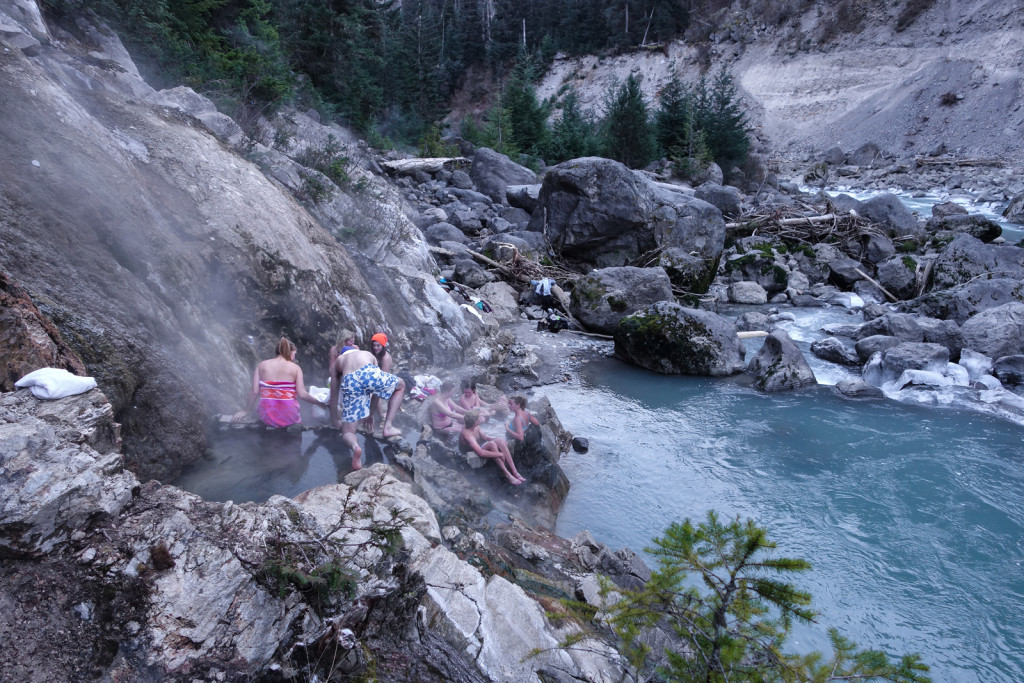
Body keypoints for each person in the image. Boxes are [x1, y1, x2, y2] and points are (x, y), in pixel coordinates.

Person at [329, 348, 405, 470]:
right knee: (401, 385)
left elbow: (333, 396)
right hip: (367, 372)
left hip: (350, 380)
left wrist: (334, 420)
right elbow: (376, 393)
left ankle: (355, 447)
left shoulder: (339, 361)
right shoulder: (367, 354)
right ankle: (388, 427)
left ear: (342, 354)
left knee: (348, 432)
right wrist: (370, 414)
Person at [232, 337, 326, 428]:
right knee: (295, 432)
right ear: (289, 352)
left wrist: (245, 411)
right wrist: (320, 403)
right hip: (288, 416)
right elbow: (302, 394)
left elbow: (254, 391)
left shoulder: (262, 365)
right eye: (294, 353)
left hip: (266, 416)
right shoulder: (296, 368)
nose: (294, 357)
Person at [459, 410, 525, 485]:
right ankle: (507, 475)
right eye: (479, 418)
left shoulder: (476, 426)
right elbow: (480, 452)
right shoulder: (467, 434)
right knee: (492, 444)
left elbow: (485, 438)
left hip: (479, 446)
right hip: (470, 451)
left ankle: (515, 472)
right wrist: (500, 454)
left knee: (500, 440)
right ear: (475, 422)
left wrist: (499, 441)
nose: (481, 418)